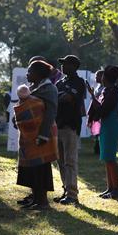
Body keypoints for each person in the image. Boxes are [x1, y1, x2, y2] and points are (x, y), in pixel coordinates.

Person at [17, 60, 58, 210]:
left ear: (39, 74)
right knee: (32, 168)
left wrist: (43, 135)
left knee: (41, 168)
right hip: (30, 136)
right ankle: (35, 199)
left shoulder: (49, 89)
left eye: (30, 71)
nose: (27, 74)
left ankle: (43, 202)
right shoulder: (32, 88)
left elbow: (50, 113)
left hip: (42, 134)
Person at [54, 55, 86, 206]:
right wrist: (59, 97)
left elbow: (68, 98)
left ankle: (73, 194)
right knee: (60, 161)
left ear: (74, 66)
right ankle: (66, 190)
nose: (63, 66)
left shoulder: (79, 82)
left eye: (66, 64)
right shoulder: (60, 82)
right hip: (58, 125)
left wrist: (58, 97)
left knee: (70, 161)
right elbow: (57, 98)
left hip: (70, 126)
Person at [89, 65, 118, 199]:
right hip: (106, 125)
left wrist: (93, 97)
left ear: (106, 77)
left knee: (110, 159)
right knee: (107, 158)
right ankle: (110, 188)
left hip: (111, 125)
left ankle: (116, 189)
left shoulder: (113, 91)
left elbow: (104, 110)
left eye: (102, 75)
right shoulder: (108, 90)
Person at [86, 70, 104, 155]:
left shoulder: (105, 88)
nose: (96, 77)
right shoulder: (98, 86)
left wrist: (92, 95)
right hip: (95, 112)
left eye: (98, 76)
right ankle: (97, 148)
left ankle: (99, 149)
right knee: (96, 131)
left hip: (100, 112)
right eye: (96, 76)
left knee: (100, 132)